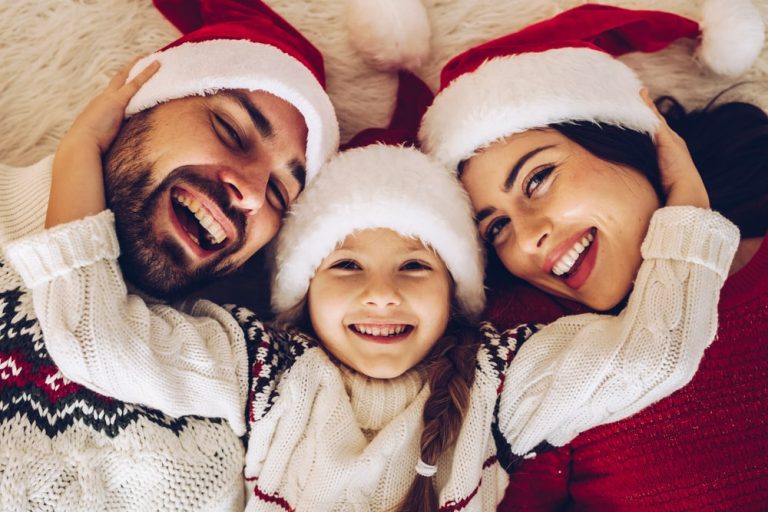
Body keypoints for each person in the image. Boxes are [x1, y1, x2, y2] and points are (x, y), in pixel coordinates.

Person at [5, 53, 739, 510]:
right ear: (299, 295)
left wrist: (687, 206)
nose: (380, 293)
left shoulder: (501, 379)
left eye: (416, 267)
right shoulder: (262, 367)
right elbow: (96, 337)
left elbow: (658, 353)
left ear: (457, 295)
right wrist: (82, 151)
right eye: (345, 267)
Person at [418, 2, 768, 509]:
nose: (528, 238)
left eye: (537, 178)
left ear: (629, 137)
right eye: (496, 227)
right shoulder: (534, 357)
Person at [0, 0, 339, 509]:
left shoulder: (228, 392)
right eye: (229, 130)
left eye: (278, 194)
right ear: (134, 106)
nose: (249, 192)